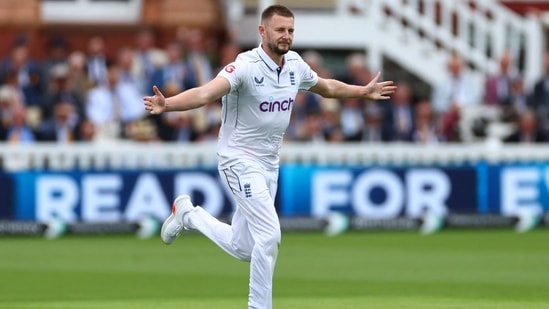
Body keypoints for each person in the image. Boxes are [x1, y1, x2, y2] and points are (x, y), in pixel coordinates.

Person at [143, 5, 396, 309]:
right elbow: (207, 93)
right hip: (238, 159)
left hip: (268, 163)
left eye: (290, 30)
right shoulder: (245, 66)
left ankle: (188, 214)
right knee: (270, 234)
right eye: (280, 30)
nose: (286, 36)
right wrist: (167, 104)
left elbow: (326, 87)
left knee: (245, 247)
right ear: (263, 32)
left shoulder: (295, 66)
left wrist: (361, 91)